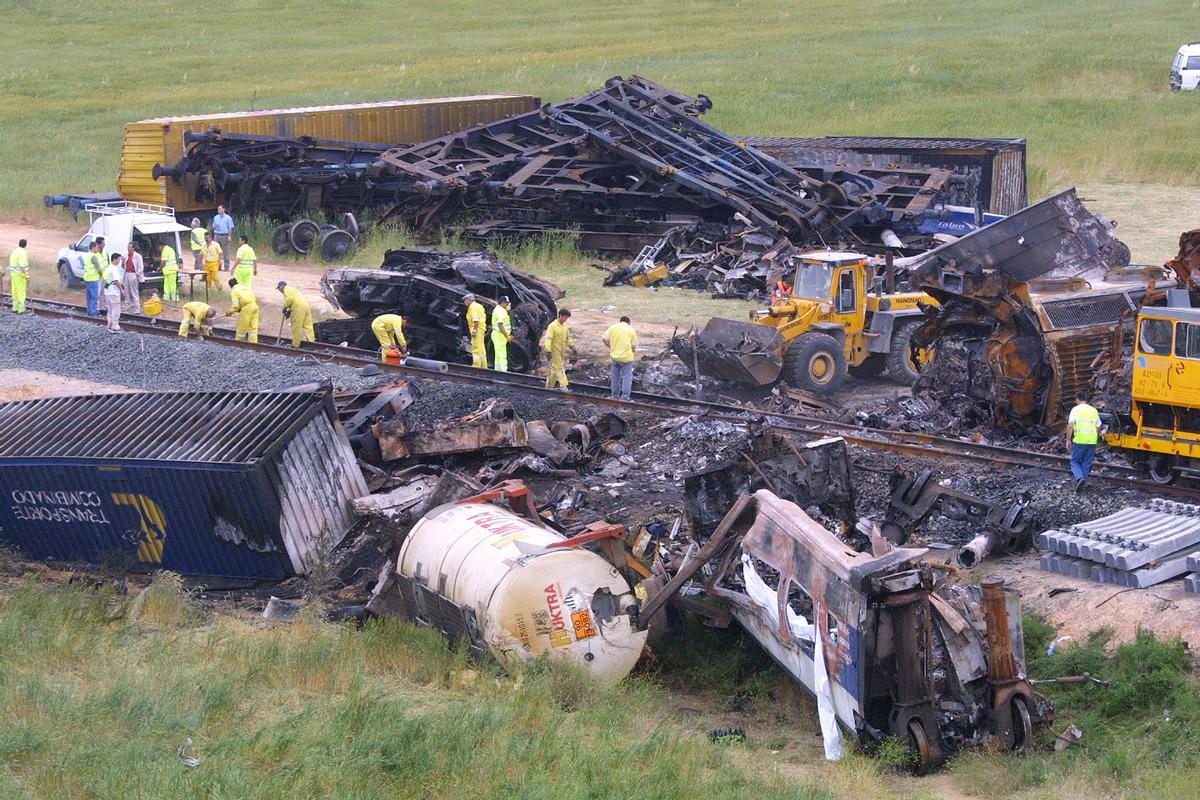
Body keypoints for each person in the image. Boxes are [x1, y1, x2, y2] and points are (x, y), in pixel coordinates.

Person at [1066, 391, 1102, 492]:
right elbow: (1099, 426)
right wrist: (1097, 436)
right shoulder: (1093, 410)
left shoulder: (1075, 410)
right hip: (1092, 441)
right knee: (1086, 463)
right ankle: (1083, 483)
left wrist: (1068, 440)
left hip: (1080, 440)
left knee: (1074, 461)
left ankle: (1079, 478)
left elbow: (1070, 426)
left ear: (1077, 399)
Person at [603, 315, 638, 400]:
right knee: (626, 378)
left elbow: (604, 338)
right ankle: (625, 397)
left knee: (615, 377)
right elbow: (633, 345)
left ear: (620, 321)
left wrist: (611, 347)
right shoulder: (631, 329)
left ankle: (615, 396)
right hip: (627, 358)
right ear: (628, 322)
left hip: (615, 357)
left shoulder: (613, 327)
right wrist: (632, 352)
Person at [540, 309, 576, 390]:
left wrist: (572, 346)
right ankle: (564, 386)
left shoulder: (564, 327)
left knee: (554, 369)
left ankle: (549, 386)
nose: (566, 319)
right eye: (565, 317)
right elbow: (548, 339)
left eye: (567, 318)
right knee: (559, 368)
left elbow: (568, 338)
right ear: (560, 315)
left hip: (561, 351)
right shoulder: (552, 326)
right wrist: (548, 350)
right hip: (554, 352)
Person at [276, 280, 314, 348]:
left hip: (298, 307)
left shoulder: (286, 289)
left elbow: (290, 299)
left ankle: (295, 345)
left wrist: (285, 307)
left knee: (296, 326)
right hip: (306, 305)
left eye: (279, 288)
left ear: (281, 286)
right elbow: (294, 299)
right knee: (307, 326)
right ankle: (311, 342)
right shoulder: (293, 289)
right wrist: (289, 309)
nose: (279, 290)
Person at [463, 293, 487, 368]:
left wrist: (474, 331)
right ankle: (483, 366)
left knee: (476, 348)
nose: (464, 303)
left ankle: (476, 366)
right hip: (482, 328)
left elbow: (476, 320)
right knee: (481, 348)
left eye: (465, 301)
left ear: (469, 300)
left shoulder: (472, 307)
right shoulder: (479, 306)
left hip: (476, 329)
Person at [490, 295, 513, 372]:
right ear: (502, 302)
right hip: (499, 335)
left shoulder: (500, 309)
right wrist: (507, 336)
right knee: (501, 354)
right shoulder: (500, 311)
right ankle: (503, 371)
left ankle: (498, 370)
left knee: (499, 354)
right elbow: (500, 324)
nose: (507, 305)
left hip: (499, 335)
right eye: (507, 303)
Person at [7, 238, 30, 314]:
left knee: (15, 291)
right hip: (20, 275)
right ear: (25, 245)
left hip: (13, 274)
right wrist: (26, 275)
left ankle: (15, 307)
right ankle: (21, 309)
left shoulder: (15, 251)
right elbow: (22, 266)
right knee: (21, 291)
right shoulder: (23, 253)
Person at [104, 254, 124, 332]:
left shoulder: (108, 268)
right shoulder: (114, 269)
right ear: (115, 259)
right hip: (114, 292)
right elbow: (116, 281)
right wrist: (122, 289)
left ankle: (109, 323)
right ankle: (115, 325)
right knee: (116, 309)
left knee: (110, 309)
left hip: (108, 292)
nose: (119, 261)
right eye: (118, 259)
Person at [122, 242, 144, 313]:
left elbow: (141, 267)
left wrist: (136, 274)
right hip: (127, 274)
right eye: (128, 247)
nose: (128, 249)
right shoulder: (126, 255)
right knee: (127, 292)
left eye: (129, 247)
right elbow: (123, 267)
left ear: (133, 248)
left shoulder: (137, 256)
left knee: (134, 292)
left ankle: (137, 309)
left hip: (133, 274)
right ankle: (127, 306)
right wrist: (123, 261)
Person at [211, 205, 235, 271]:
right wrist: (215, 227)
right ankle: (217, 266)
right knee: (216, 251)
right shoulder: (216, 217)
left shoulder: (228, 218)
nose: (218, 210)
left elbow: (230, 228)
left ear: (223, 209)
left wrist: (229, 236)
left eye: (220, 209)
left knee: (225, 252)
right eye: (218, 209)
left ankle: (226, 267)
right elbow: (213, 226)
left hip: (225, 235)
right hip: (217, 235)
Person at [82, 241, 102, 316]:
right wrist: (101, 275)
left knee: (89, 297)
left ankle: (89, 312)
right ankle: (93, 313)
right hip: (93, 279)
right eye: (97, 247)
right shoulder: (93, 256)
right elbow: (98, 268)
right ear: (93, 247)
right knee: (94, 297)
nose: (98, 249)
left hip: (87, 278)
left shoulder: (86, 255)